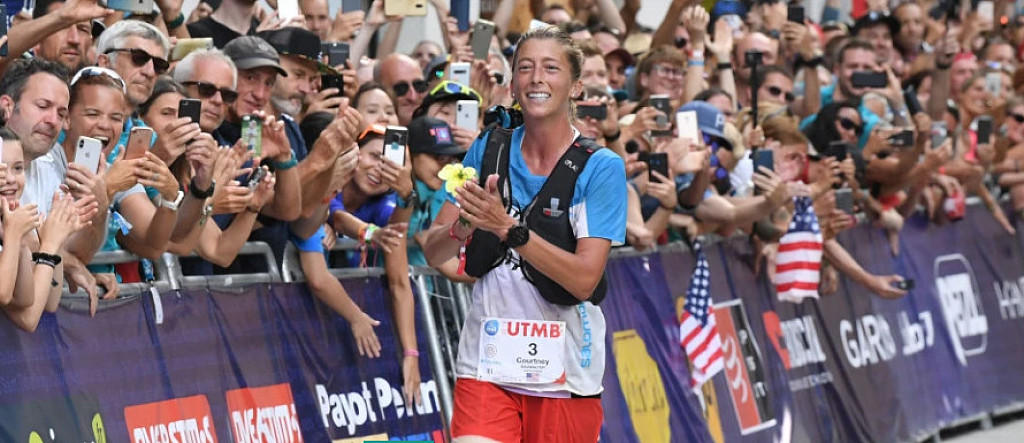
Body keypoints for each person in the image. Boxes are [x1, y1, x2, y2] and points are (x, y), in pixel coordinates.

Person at [420, 26, 626, 443]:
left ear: (576, 87)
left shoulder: (601, 167)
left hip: (565, 375)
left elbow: (585, 280)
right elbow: (433, 251)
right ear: (512, 84)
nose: (536, 78)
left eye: (551, 68)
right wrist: (465, 224)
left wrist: (506, 228)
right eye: (526, 68)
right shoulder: (488, 147)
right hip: (487, 367)